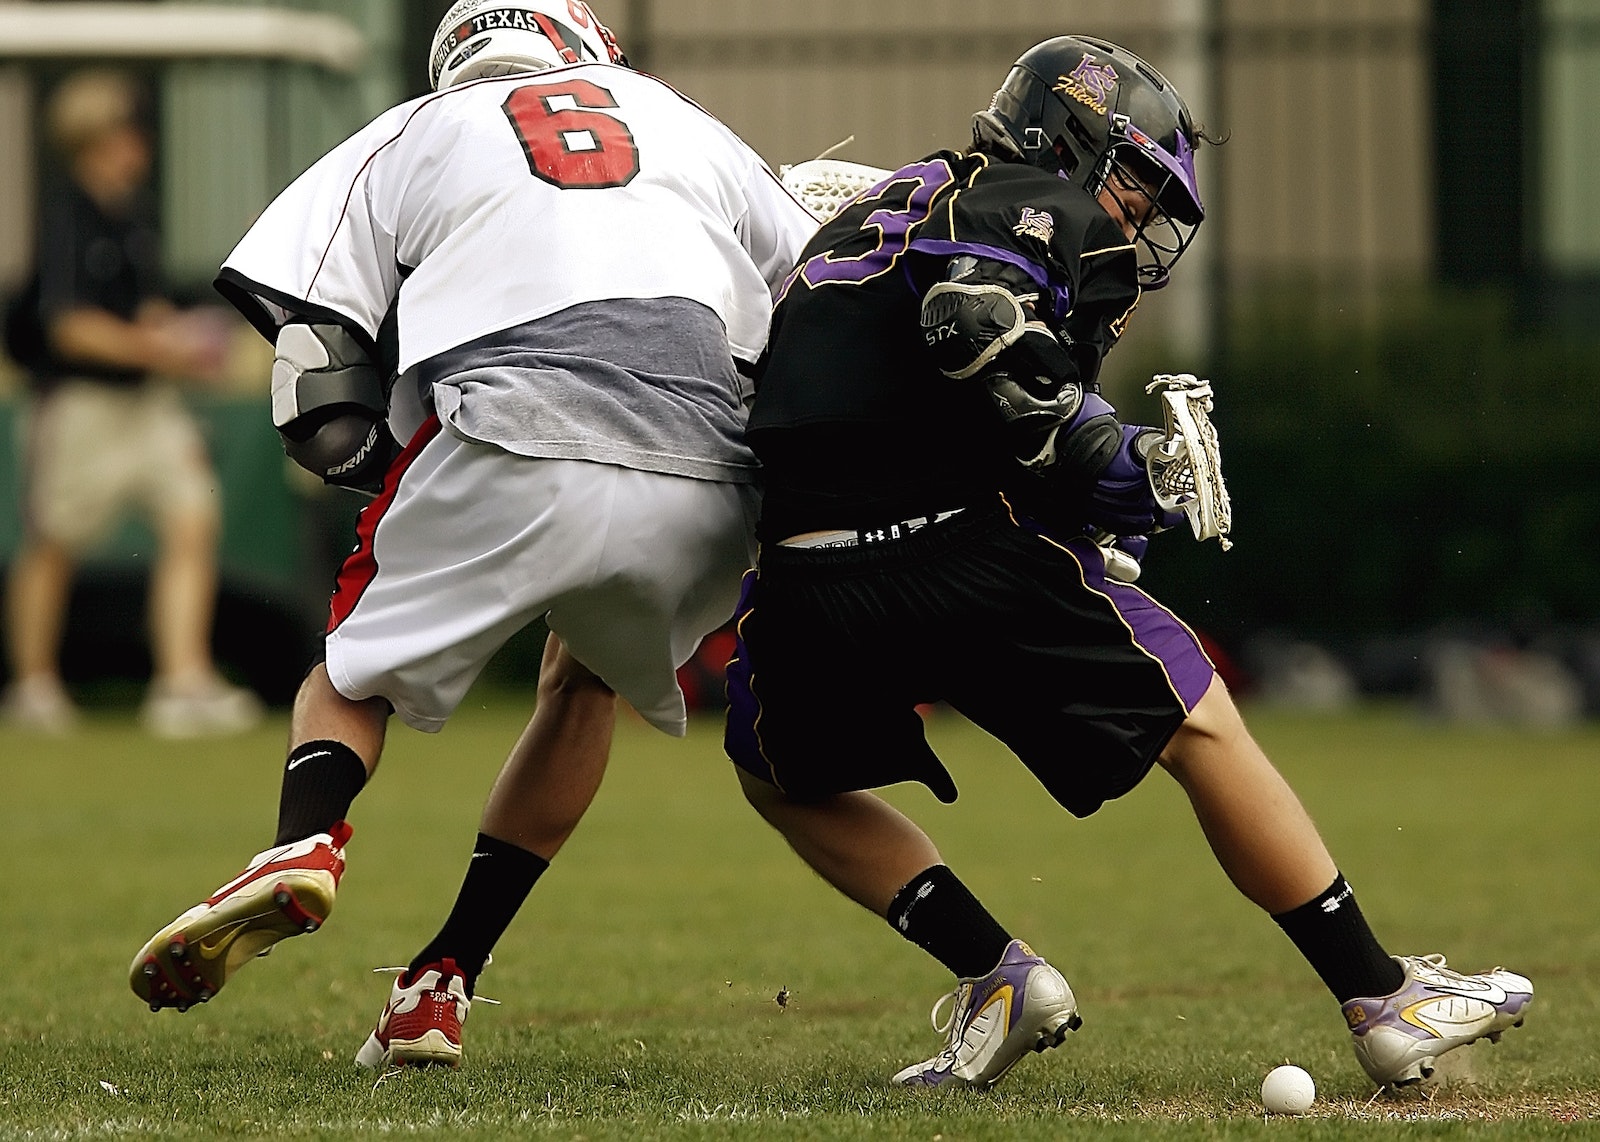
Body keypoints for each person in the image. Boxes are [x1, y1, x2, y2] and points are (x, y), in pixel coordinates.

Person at [723, 35, 1533, 1093]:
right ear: (1068, 137)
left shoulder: (904, 203)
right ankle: (1379, 994)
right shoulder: (1024, 196)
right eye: (1134, 181)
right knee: (1195, 713)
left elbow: (895, 377)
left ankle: (995, 974)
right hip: (950, 543)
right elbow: (972, 320)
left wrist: (1086, 486)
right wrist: (1107, 451)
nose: (1137, 217)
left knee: (781, 774)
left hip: (807, 574)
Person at [127, 0, 818, 1070]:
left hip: (513, 425)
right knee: (584, 683)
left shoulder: (414, 128)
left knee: (351, 677)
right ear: (586, 48)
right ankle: (439, 981)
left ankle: (304, 839)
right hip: (706, 465)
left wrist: (374, 468)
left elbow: (313, 359)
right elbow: (821, 291)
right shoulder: (679, 116)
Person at [2, 68, 264, 738]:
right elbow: (69, 326)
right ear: (95, 137)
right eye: (126, 129)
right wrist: (157, 349)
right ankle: (33, 688)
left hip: (147, 407)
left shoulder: (134, 216)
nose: (139, 142)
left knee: (191, 516)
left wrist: (184, 342)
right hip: (79, 407)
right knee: (55, 540)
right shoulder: (65, 216)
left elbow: (141, 308)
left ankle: (182, 681)